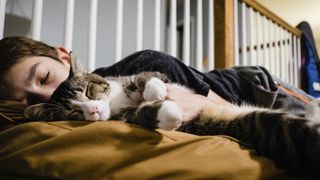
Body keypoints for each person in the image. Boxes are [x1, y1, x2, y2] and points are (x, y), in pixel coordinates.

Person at [0, 36, 312, 121]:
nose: (45, 97)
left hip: (253, 88)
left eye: (43, 77)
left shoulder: (143, 66)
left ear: (63, 57)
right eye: (26, 100)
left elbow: (226, 109)